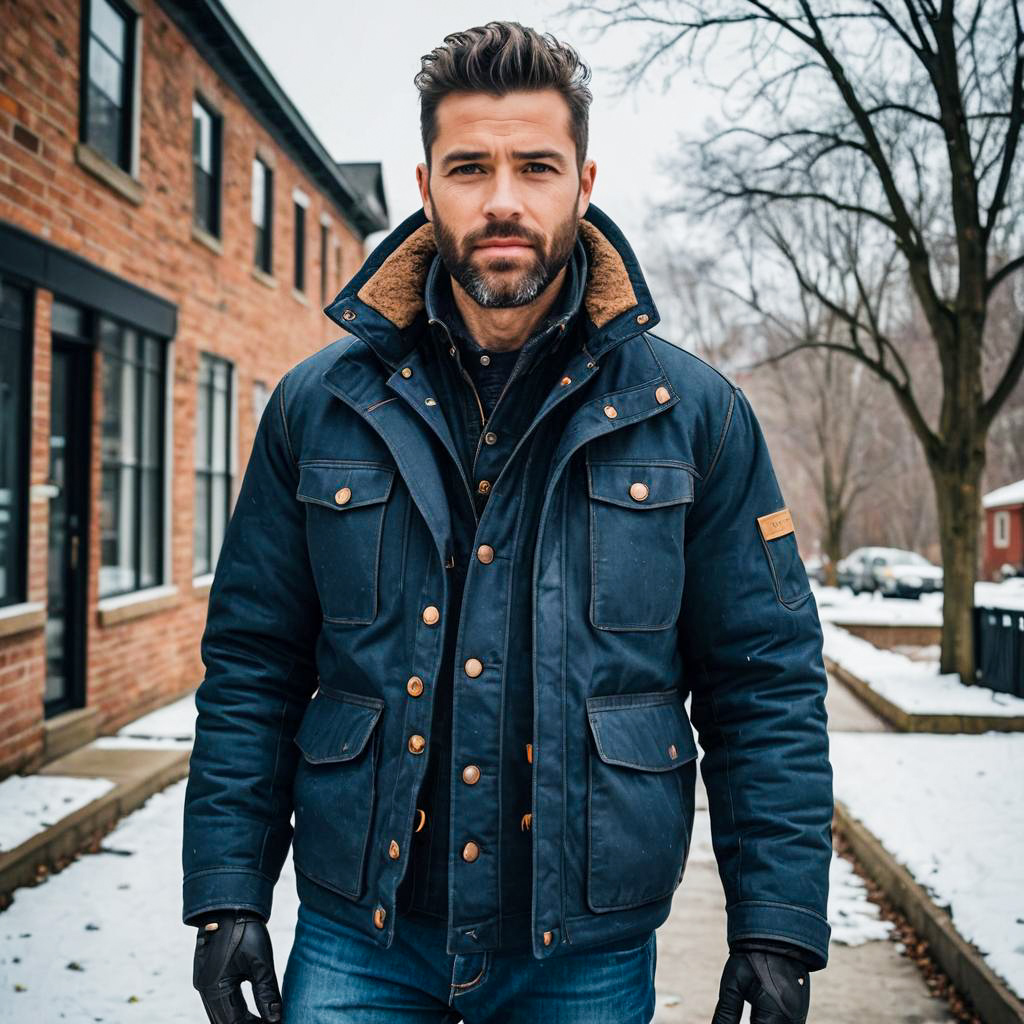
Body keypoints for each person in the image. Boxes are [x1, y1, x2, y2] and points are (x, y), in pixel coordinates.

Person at [182, 20, 833, 1024]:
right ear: (425, 182)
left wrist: (776, 919)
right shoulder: (318, 406)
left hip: (583, 953)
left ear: (582, 180)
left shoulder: (692, 414)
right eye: (468, 167)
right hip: (362, 943)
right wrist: (228, 888)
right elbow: (254, 662)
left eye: (535, 166)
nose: (500, 200)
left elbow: (762, 681)